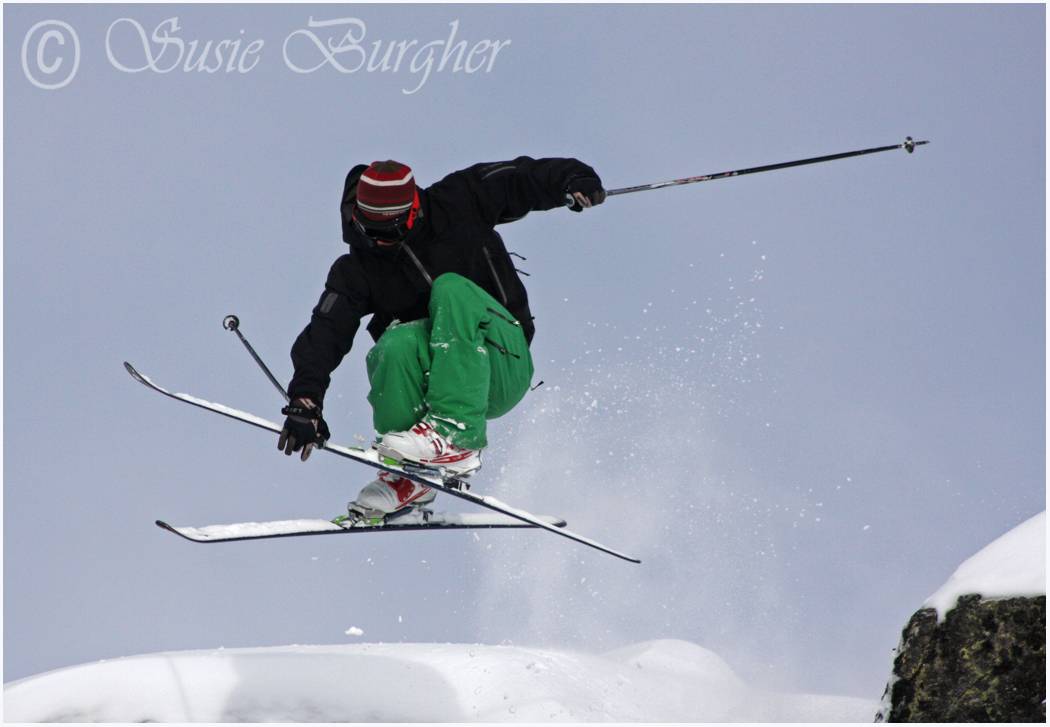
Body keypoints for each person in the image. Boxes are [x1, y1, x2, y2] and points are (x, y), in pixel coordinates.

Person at [277, 157, 605, 519]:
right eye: (369, 230)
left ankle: (456, 437)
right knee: (394, 344)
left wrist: (573, 180)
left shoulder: (460, 200)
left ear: (413, 208)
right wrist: (306, 398)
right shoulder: (356, 269)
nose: (379, 241)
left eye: (388, 231)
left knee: (450, 289)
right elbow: (326, 331)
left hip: (501, 360)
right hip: (439, 384)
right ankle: (409, 477)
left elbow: (521, 177)